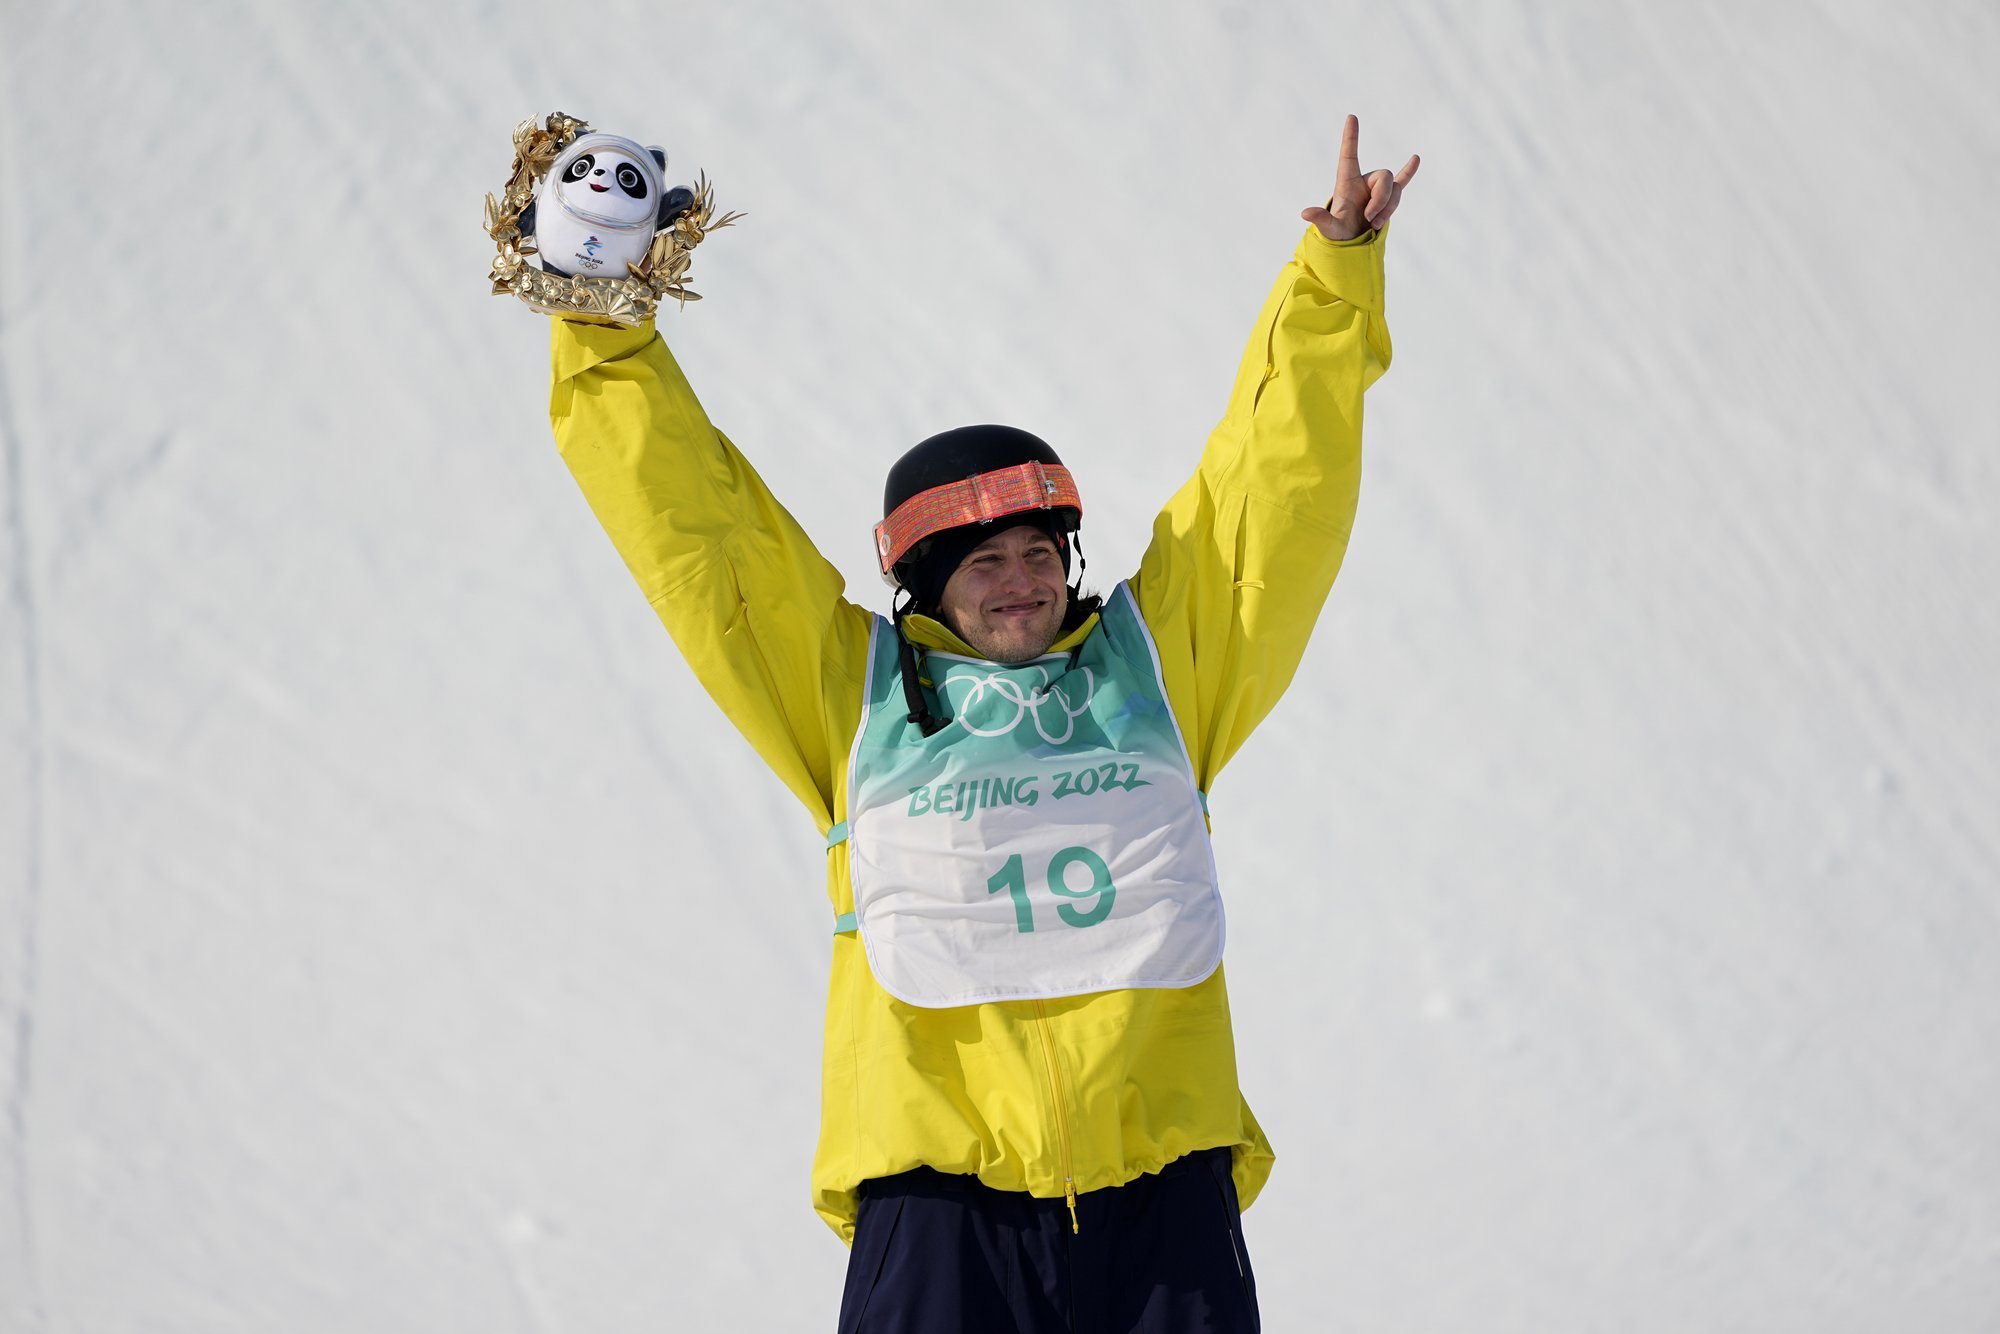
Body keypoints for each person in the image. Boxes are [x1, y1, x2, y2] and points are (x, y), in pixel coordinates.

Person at [542, 114, 1416, 1333]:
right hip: (939, 1208)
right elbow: (704, 534)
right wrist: (601, 329)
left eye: (1037, 552)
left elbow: (1268, 498)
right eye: (981, 560)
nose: (1019, 580)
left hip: (1160, 1201)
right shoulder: (850, 694)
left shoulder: (1159, 670)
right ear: (924, 583)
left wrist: (1328, 280)